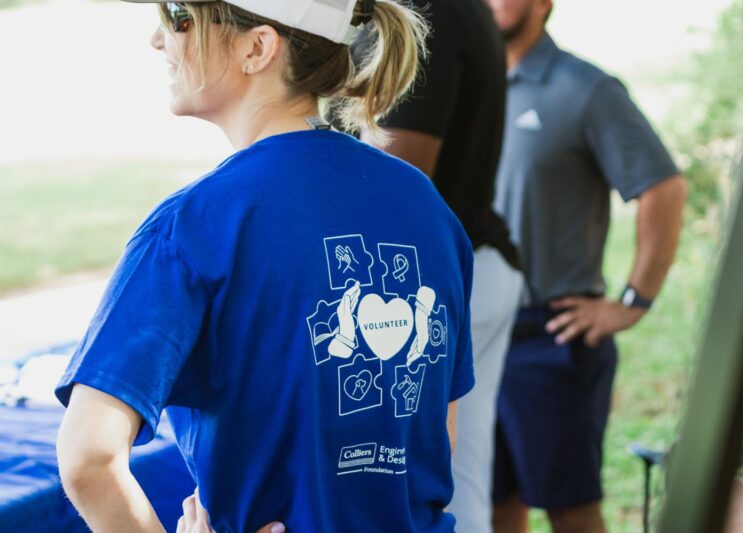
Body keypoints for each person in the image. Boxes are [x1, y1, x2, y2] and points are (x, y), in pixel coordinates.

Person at [54, 1, 477, 531]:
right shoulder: (425, 205)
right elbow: (435, 430)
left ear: (257, 48)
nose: (160, 40)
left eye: (180, 16)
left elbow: (87, 457)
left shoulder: (196, 224)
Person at [484, 0, 688, 532]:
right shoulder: (467, 88)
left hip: (549, 337)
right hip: (475, 335)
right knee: (493, 507)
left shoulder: (586, 89)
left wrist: (632, 301)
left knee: (570, 514)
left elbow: (662, 189)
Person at [353, 1, 524, 531]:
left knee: (420, 478)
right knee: (459, 475)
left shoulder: (429, 10)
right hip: (468, 264)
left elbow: (397, 181)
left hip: (426, 279)